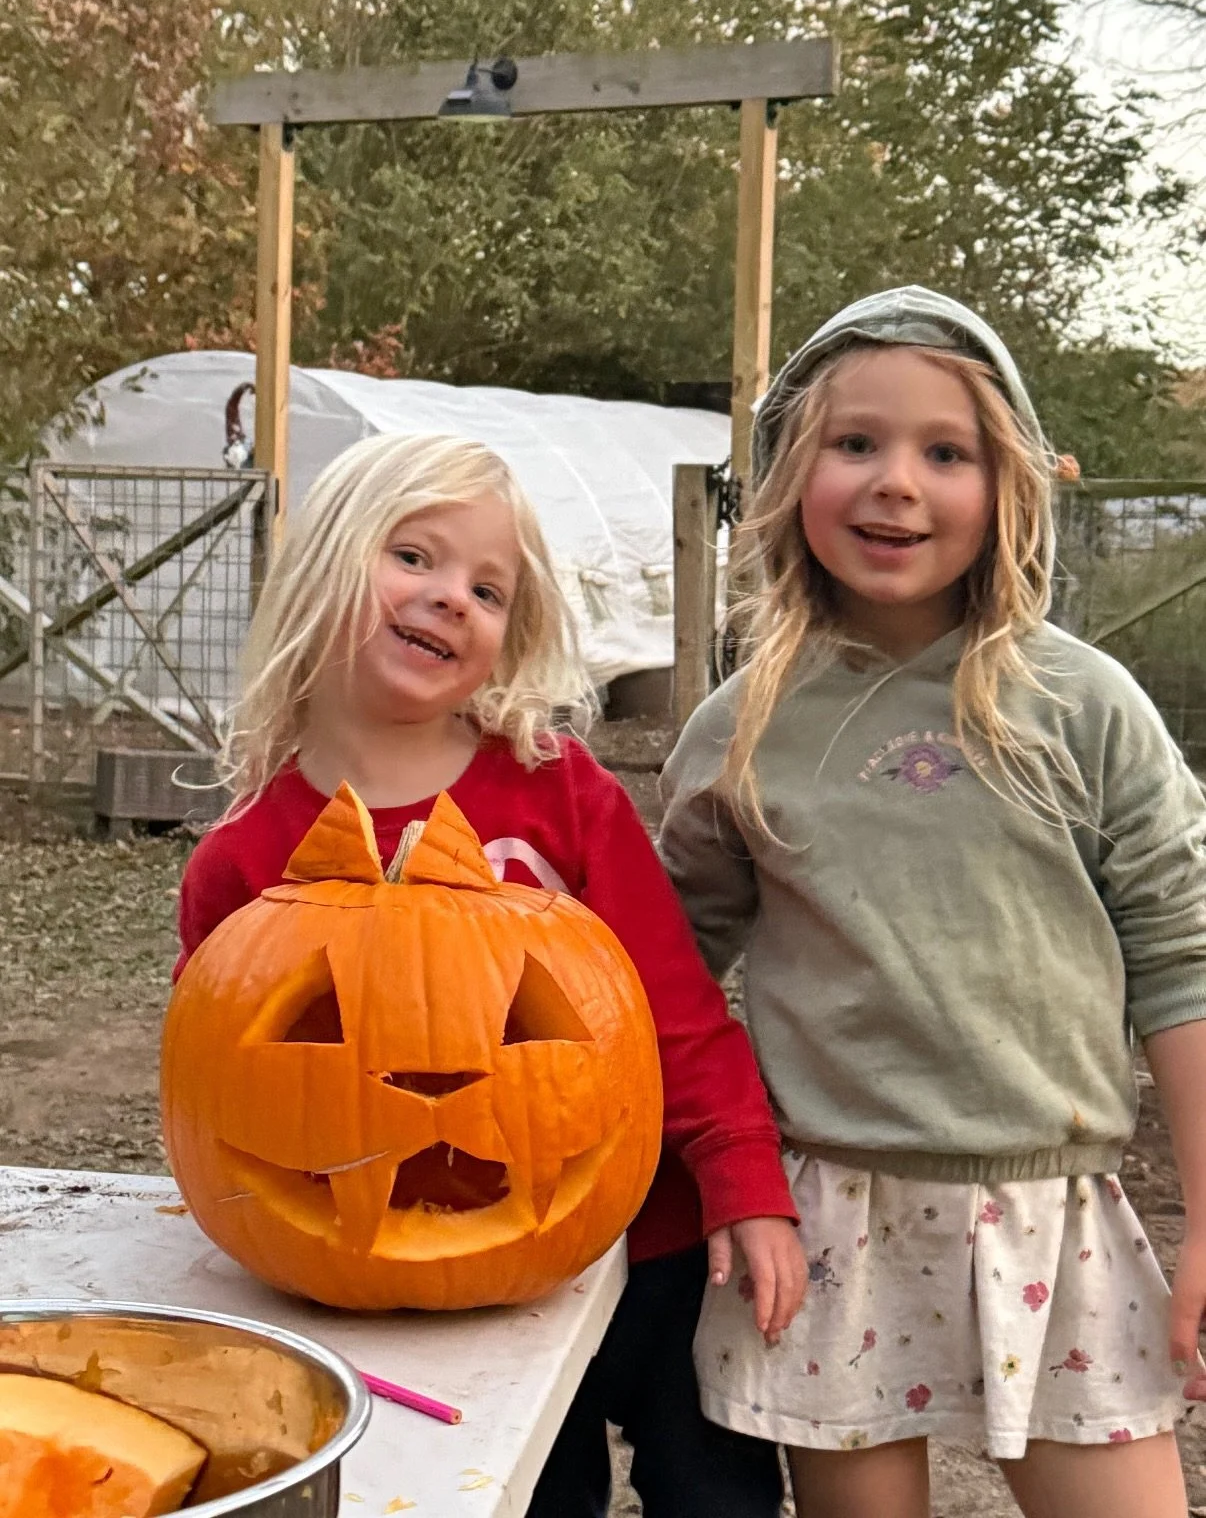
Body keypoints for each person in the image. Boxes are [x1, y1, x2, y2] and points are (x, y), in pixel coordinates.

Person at [173, 430, 806, 1518]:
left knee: (719, 1497)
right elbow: (216, 1084)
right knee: (524, 1498)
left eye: (488, 587)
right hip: (405, 1276)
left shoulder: (560, 796)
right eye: (413, 557)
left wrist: (742, 1175)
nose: (450, 597)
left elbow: (674, 1010)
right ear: (326, 561)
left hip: (640, 1239)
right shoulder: (246, 855)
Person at [657, 286, 1206, 1518]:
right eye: (856, 444)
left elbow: (1184, 958)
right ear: (791, 471)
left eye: (944, 452)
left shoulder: (1085, 707)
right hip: (829, 1226)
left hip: (1052, 1216)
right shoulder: (738, 731)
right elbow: (664, 977)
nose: (896, 483)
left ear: (1008, 482)